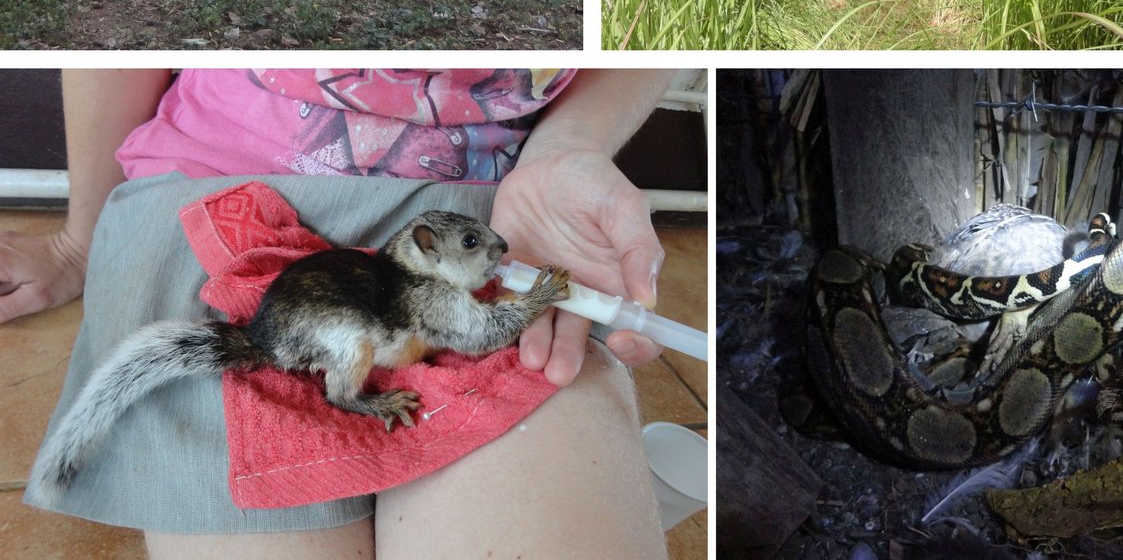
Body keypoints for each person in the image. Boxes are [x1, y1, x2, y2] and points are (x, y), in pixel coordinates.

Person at [0, 68, 676, 559]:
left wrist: (572, 144)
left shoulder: (459, 259)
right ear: (430, 253)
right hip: (221, 201)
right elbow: (475, 331)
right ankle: (351, 401)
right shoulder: (429, 288)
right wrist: (77, 241)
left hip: (509, 202)